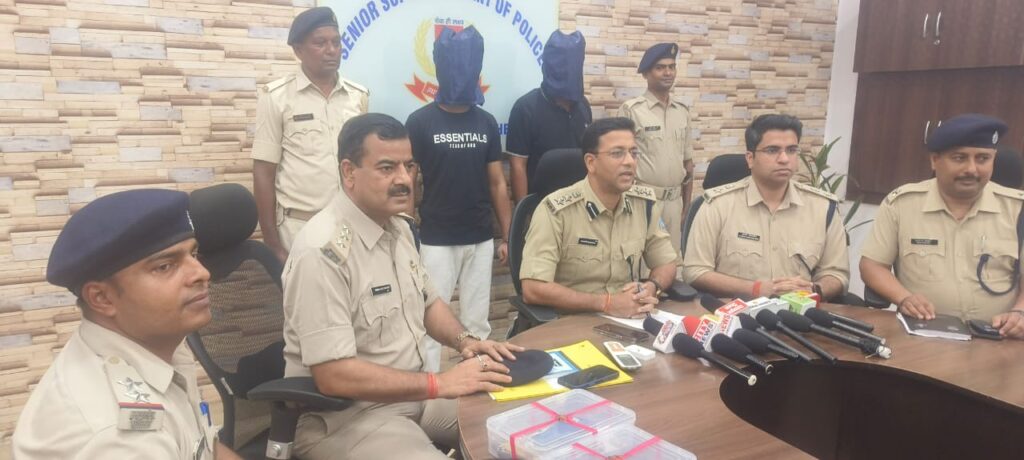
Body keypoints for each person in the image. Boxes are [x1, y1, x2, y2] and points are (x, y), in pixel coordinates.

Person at [280, 113, 523, 459]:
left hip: (413, 397)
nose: (404, 179)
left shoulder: (399, 228)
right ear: (349, 172)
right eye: (386, 168)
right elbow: (333, 375)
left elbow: (429, 303)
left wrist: (467, 342)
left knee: (518, 427)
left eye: (408, 166)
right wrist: (440, 383)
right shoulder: (323, 251)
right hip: (349, 417)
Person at [13, 189, 240, 459]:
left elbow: (204, 447)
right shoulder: (119, 437)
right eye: (165, 266)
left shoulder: (156, 343)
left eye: (194, 253)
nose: (202, 273)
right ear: (102, 298)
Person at [860, 113, 1024, 339]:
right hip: (924, 333)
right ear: (935, 160)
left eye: (983, 159)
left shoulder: (1018, 209)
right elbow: (872, 265)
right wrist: (904, 298)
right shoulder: (902, 204)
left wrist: (1020, 312)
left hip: (1001, 336)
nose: (972, 169)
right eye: (959, 158)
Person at [406, 26, 512, 372]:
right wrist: (406, 233)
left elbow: (497, 183)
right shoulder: (420, 122)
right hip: (436, 238)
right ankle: (429, 389)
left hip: (479, 236)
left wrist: (507, 235)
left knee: (477, 322)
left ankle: (478, 380)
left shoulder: (486, 122)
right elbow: (408, 181)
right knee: (428, 320)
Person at [518, 117, 678, 319]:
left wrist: (652, 286)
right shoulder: (555, 211)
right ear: (591, 163)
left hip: (630, 320)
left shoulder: (644, 205)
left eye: (633, 153)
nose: (629, 161)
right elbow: (533, 288)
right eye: (617, 153)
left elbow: (667, 262)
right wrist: (607, 303)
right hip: (571, 322)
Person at [681, 114, 850, 301]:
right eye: (772, 150)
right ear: (750, 158)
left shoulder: (822, 207)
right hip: (735, 312)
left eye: (792, 150)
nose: (784, 159)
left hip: (800, 311)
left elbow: (837, 274)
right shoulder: (717, 205)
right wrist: (755, 289)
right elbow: (695, 271)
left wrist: (814, 289)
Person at [252, 6, 369, 262]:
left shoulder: (357, 96)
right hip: (301, 226)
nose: (331, 50)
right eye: (320, 43)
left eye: (336, 42)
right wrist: (272, 244)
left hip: (352, 223)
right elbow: (263, 171)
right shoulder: (277, 98)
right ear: (298, 50)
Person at [618, 42, 695, 255]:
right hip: (643, 200)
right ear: (646, 73)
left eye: (672, 67)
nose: (668, 73)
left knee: (672, 262)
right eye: (660, 68)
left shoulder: (682, 111)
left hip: (674, 204)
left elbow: (688, 164)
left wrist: (686, 207)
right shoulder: (632, 110)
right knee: (642, 264)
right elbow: (620, 163)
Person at [506, 30, 593, 202]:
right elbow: (518, 166)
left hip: (580, 203)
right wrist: (524, 212)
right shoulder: (525, 108)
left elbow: (589, 156)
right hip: (542, 205)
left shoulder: (583, 105)